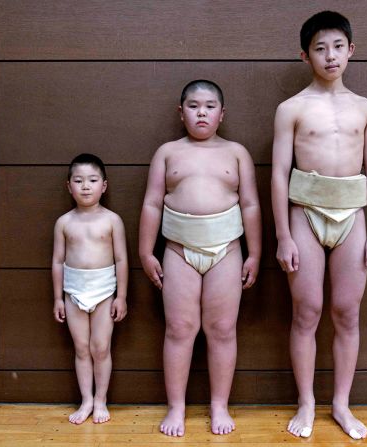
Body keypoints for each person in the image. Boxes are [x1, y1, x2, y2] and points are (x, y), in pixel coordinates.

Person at [271, 11, 367, 440]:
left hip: (352, 216)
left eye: (338, 46)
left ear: (351, 50)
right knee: (307, 312)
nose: (330, 55)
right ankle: (306, 402)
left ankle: (341, 404)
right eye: (320, 48)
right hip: (305, 214)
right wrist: (283, 235)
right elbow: (279, 174)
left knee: (346, 313)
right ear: (305, 56)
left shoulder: (366, 109)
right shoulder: (291, 109)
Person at [139, 80, 261, 437]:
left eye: (210, 106)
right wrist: (146, 251)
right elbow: (151, 203)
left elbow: (251, 204)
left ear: (222, 114)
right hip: (177, 248)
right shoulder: (167, 153)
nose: (202, 112)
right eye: (193, 106)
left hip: (227, 249)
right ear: (181, 113)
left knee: (222, 329)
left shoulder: (237, 152)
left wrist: (254, 252)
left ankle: (219, 404)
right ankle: (176, 406)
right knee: (179, 329)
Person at [52, 153, 128, 425]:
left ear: (103, 186)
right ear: (68, 186)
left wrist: (122, 296)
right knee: (82, 347)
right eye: (79, 180)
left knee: (101, 347)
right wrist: (58, 298)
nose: (86, 186)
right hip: (73, 290)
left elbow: (121, 259)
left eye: (92, 180)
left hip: (104, 290)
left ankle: (101, 400)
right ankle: (86, 399)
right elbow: (58, 261)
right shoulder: (64, 222)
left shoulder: (112, 220)